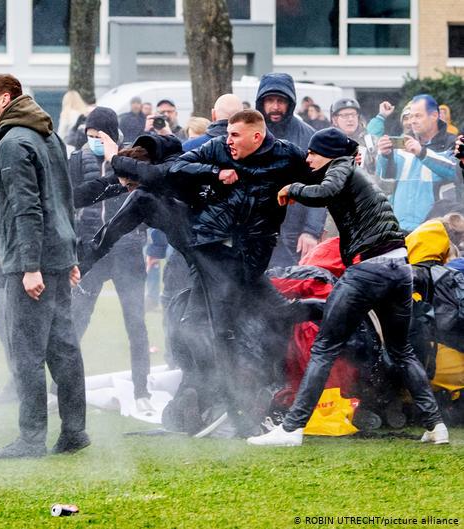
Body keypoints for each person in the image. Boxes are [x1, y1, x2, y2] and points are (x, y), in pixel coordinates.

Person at [249, 127, 449, 446]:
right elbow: (322, 184)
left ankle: (290, 429)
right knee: (401, 350)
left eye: (313, 153)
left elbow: (325, 191)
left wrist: (293, 188)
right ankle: (436, 426)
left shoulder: (341, 167)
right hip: (399, 269)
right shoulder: (353, 174)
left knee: (324, 347)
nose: (308, 158)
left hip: (370, 269)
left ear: (329, 155)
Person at [169, 109, 314, 436]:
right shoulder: (217, 149)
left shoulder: (286, 154)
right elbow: (177, 167)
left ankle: (244, 397)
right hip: (215, 253)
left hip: (252, 257)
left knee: (272, 314)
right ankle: (211, 400)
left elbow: (317, 174)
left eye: (235, 135)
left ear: (256, 136)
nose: (229, 141)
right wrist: (214, 172)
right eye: (228, 134)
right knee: (201, 325)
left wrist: (296, 189)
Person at [0, 73, 88, 459]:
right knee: (63, 348)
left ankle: (31, 438)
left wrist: (29, 267)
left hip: (33, 263)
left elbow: (26, 207)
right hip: (57, 256)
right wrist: (70, 256)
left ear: (5, 99)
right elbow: (65, 198)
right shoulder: (48, 135)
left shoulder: (13, 143)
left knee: (26, 352)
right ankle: (74, 432)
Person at [67, 107, 150, 403]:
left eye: (99, 135)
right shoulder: (77, 160)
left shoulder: (132, 158)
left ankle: (141, 390)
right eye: (90, 135)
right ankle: (61, 389)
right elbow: (70, 201)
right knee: (77, 319)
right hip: (91, 250)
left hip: (127, 250)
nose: (94, 141)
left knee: (136, 322)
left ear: (113, 135)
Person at [256, 73, 326, 268]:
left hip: (294, 233)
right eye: (270, 100)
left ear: (290, 103)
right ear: (261, 102)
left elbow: (319, 186)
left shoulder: (308, 135)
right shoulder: (250, 133)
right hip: (255, 230)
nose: (275, 107)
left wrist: (311, 231)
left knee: (291, 283)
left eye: (281, 101)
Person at [376, 94, 458, 230]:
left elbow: (455, 172)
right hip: (401, 227)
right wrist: (385, 156)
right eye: (410, 116)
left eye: (418, 116)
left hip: (435, 228)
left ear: (434, 115)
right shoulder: (403, 142)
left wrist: (422, 152)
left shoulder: (452, 142)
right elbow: (384, 178)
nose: (412, 121)